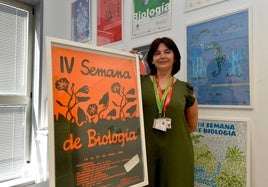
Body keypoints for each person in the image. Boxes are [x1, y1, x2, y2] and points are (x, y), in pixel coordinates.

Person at [137, 37, 198, 186]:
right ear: (151, 60)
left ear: (175, 57)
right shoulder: (139, 82)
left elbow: (191, 125)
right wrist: (128, 60)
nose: (162, 56)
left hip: (176, 151)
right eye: (157, 53)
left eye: (167, 52)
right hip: (145, 151)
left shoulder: (185, 89)